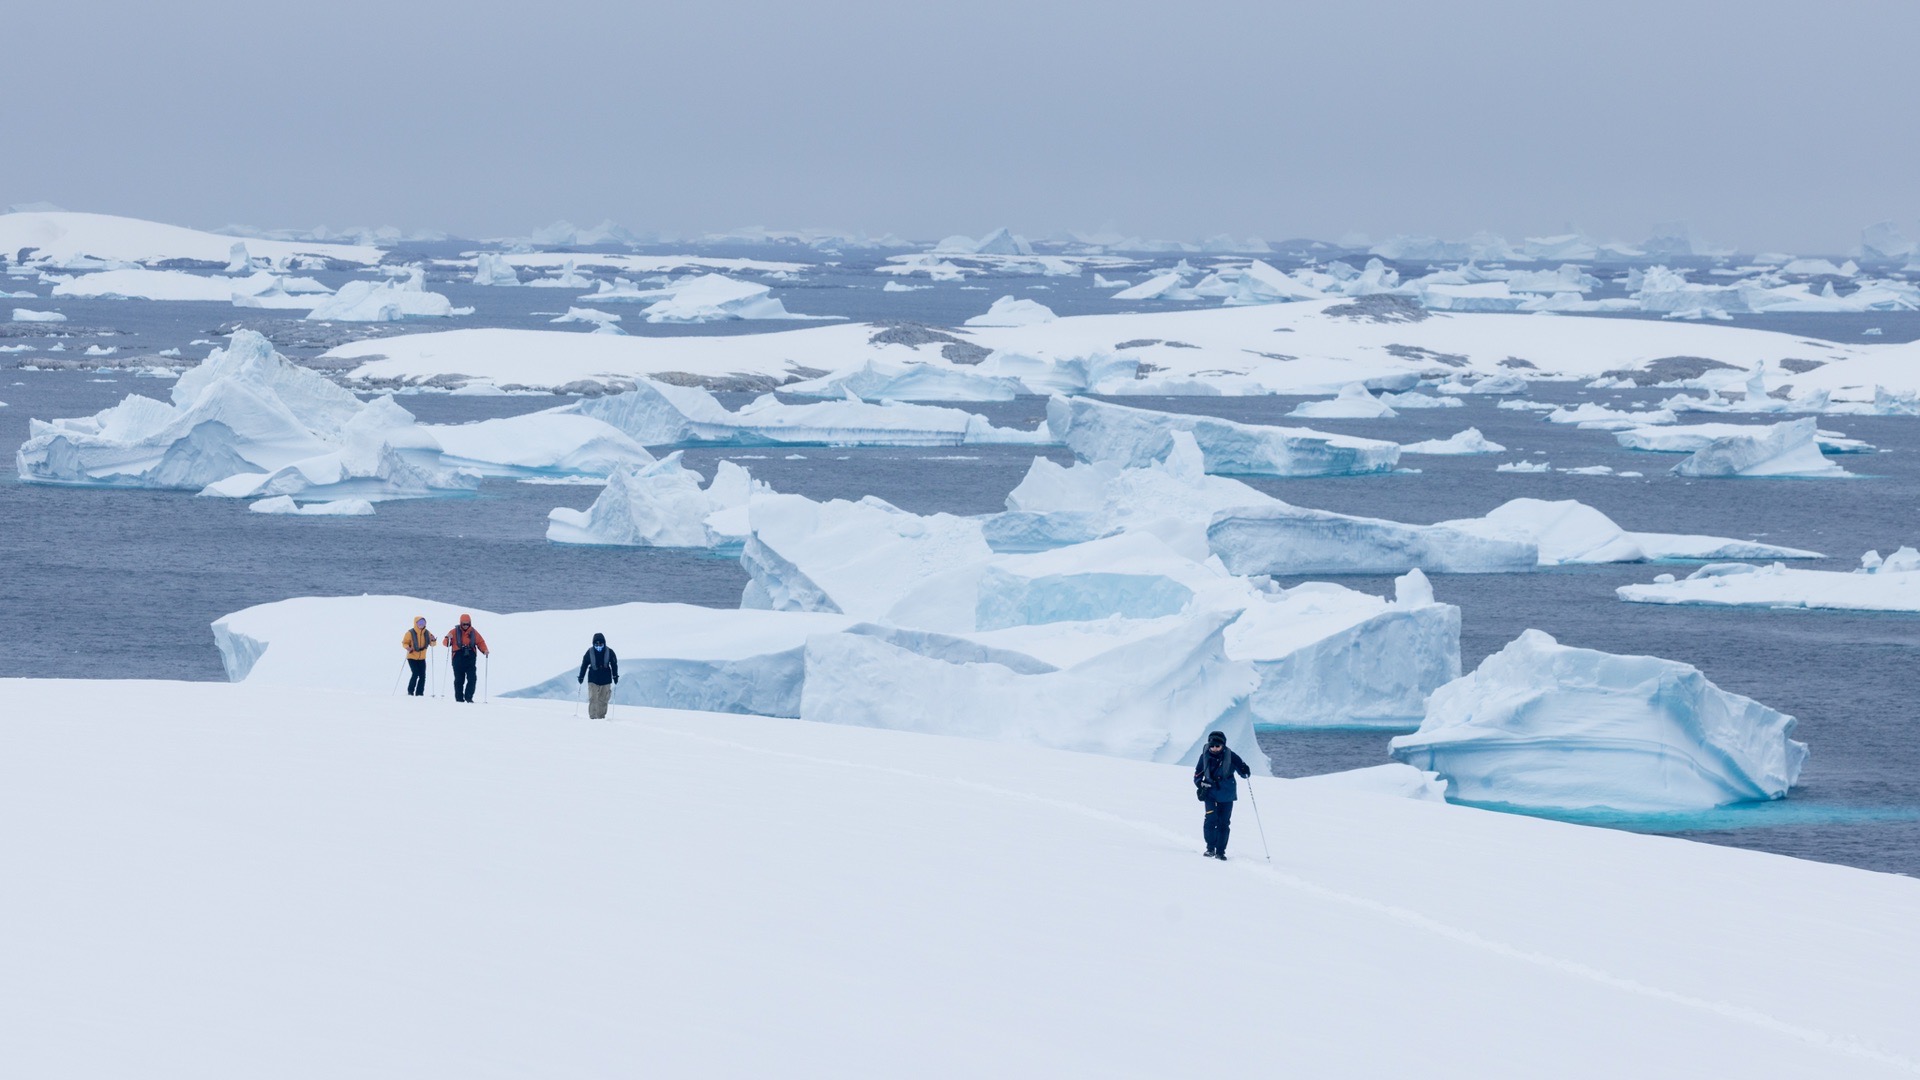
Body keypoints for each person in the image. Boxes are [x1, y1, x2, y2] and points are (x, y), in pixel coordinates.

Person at [1193, 730, 1251, 860]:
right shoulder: (1204, 757)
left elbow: (1243, 773)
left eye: (1217, 746)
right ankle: (1210, 848)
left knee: (1224, 822)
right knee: (1210, 819)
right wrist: (1200, 785)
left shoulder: (1231, 756)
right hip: (1210, 793)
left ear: (1223, 745)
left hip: (1227, 794)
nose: (1214, 748)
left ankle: (1220, 851)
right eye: (1212, 745)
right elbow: (1197, 775)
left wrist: (1245, 770)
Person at [444, 613, 489, 703]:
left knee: (472, 678)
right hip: (457, 658)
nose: (465, 626)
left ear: (470, 623)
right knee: (459, 680)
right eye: (464, 624)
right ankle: (459, 699)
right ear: (460, 623)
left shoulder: (474, 632)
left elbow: (480, 642)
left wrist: (485, 650)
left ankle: (469, 697)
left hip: (470, 659)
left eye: (467, 624)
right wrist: (447, 638)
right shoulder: (453, 631)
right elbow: (446, 644)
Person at [577, 632, 619, 719]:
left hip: (606, 679)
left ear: (604, 644)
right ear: (593, 644)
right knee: (593, 698)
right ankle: (592, 717)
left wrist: (615, 676)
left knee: (603, 700)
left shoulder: (610, 652)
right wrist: (581, 676)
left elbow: (614, 664)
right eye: (596, 645)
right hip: (593, 679)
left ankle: (601, 717)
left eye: (601, 644)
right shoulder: (589, 653)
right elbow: (584, 664)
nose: (599, 647)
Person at [400, 616, 436, 696]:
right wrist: (407, 648)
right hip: (412, 657)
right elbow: (404, 642)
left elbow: (432, 644)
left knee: (423, 676)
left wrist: (433, 640)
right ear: (416, 623)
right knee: (415, 673)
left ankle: (419, 693)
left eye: (423, 623)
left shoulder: (427, 633)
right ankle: (410, 691)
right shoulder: (410, 632)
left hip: (422, 658)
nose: (421, 624)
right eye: (420, 623)